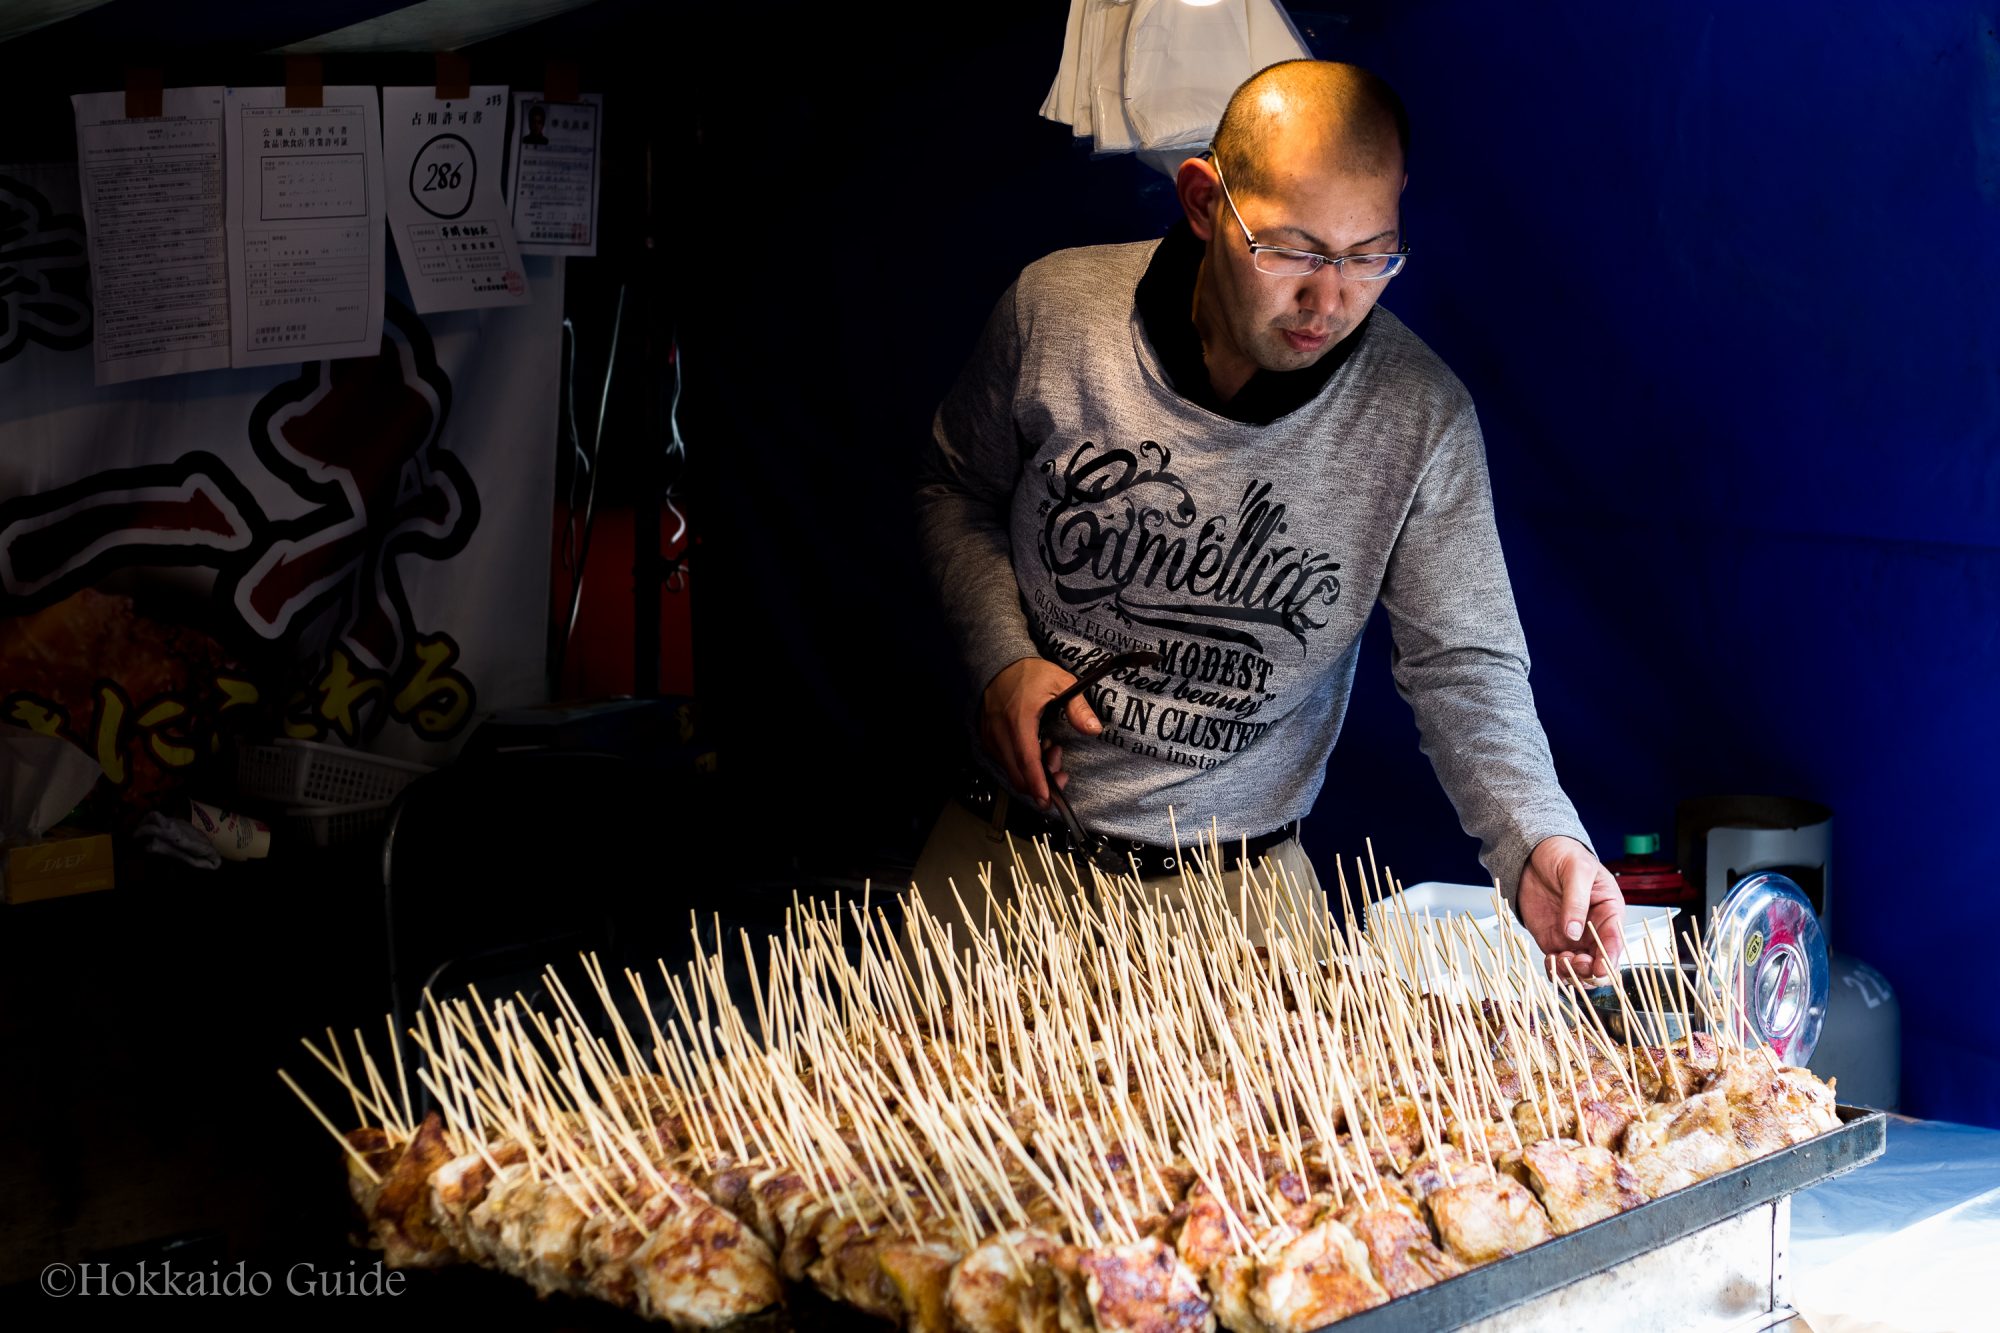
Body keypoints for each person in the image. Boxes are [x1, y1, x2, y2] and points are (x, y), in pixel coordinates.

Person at [912, 60, 1624, 980]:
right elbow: (953, 487)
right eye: (1291, 249)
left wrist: (1536, 837)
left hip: (1240, 909)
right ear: (1205, 202)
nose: (1330, 301)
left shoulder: (1421, 416)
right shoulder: (1054, 313)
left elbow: (1464, 663)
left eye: (1371, 254)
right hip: (999, 871)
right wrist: (1000, 659)